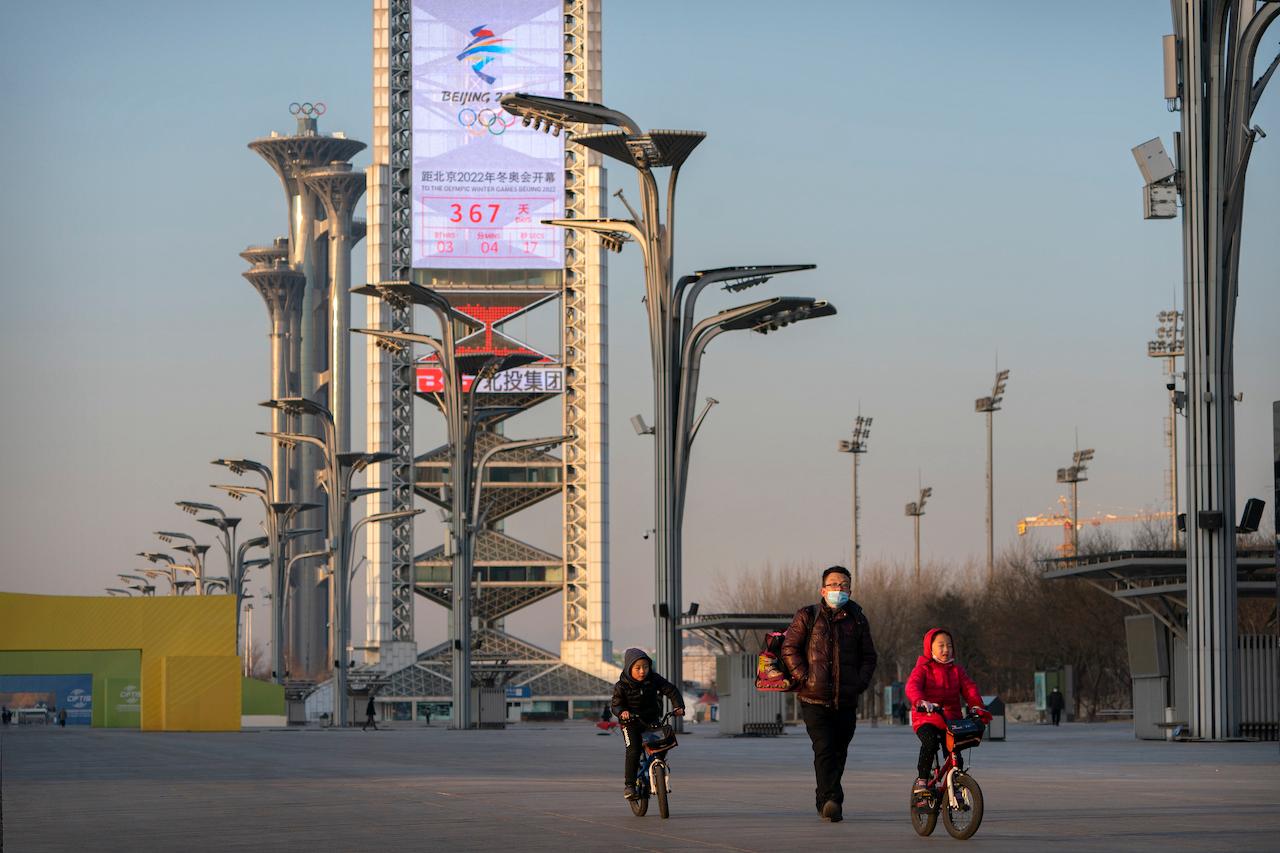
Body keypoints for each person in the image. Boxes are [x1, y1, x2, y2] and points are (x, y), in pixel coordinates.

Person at [781, 566, 878, 823]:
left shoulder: (857, 618)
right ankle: (833, 801)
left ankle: (824, 796)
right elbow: (789, 647)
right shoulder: (807, 616)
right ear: (823, 590)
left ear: (850, 590)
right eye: (833, 584)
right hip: (813, 698)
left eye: (843, 585)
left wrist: (860, 682)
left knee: (839, 751)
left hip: (846, 699)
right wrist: (804, 677)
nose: (838, 589)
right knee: (824, 748)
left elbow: (869, 656)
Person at [905, 628, 991, 798]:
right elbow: (912, 686)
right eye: (941, 645)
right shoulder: (923, 669)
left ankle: (955, 785)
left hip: (950, 720)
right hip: (926, 718)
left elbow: (970, 689)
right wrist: (921, 702)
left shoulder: (957, 671)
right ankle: (922, 781)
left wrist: (977, 706)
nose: (946, 650)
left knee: (954, 755)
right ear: (930, 648)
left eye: (949, 646)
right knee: (929, 743)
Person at [611, 648, 685, 801]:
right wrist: (622, 712)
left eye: (645, 667)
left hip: (651, 720)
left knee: (663, 743)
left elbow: (671, 690)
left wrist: (678, 706)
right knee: (634, 750)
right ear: (629, 668)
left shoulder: (653, 679)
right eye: (637, 668)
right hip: (630, 723)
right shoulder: (621, 685)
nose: (642, 671)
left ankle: (658, 766)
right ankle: (630, 785)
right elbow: (616, 705)